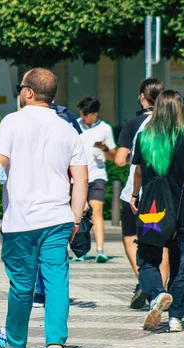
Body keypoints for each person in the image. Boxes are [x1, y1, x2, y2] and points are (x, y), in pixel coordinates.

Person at [0, 68, 88, 348]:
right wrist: (76, 219)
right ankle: (55, 345)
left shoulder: (12, 122)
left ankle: (15, 343)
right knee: (56, 282)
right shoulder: (69, 130)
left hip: (21, 220)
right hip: (58, 218)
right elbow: (81, 179)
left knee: (22, 285)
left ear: (28, 92)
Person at [129, 90, 184, 332]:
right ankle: (176, 318)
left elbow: (139, 172)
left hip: (151, 211)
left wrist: (134, 196)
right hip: (180, 213)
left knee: (147, 260)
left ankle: (156, 295)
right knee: (180, 264)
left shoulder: (143, 137)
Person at [115, 78, 169, 309]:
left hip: (136, 192)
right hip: (164, 193)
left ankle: (145, 282)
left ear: (142, 97)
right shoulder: (169, 123)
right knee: (162, 242)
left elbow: (120, 160)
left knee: (129, 236)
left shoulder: (133, 124)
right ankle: (161, 288)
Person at [33, 102, 84, 308]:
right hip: (59, 203)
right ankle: (55, 337)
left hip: (43, 201)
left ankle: (39, 292)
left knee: (39, 252)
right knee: (54, 261)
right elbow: (79, 171)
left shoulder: (19, 121)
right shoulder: (68, 121)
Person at [77, 96, 117, 263]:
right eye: (81, 114)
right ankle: (81, 250)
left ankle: (100, 250)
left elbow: (113, 157)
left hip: (97, 176)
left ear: (95, 114)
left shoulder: (105, 129)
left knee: (97, 211)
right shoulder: (74, 126)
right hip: (78, 178)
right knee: (78, 214)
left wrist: (104, 148)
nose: (83, 117)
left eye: (86, 114)